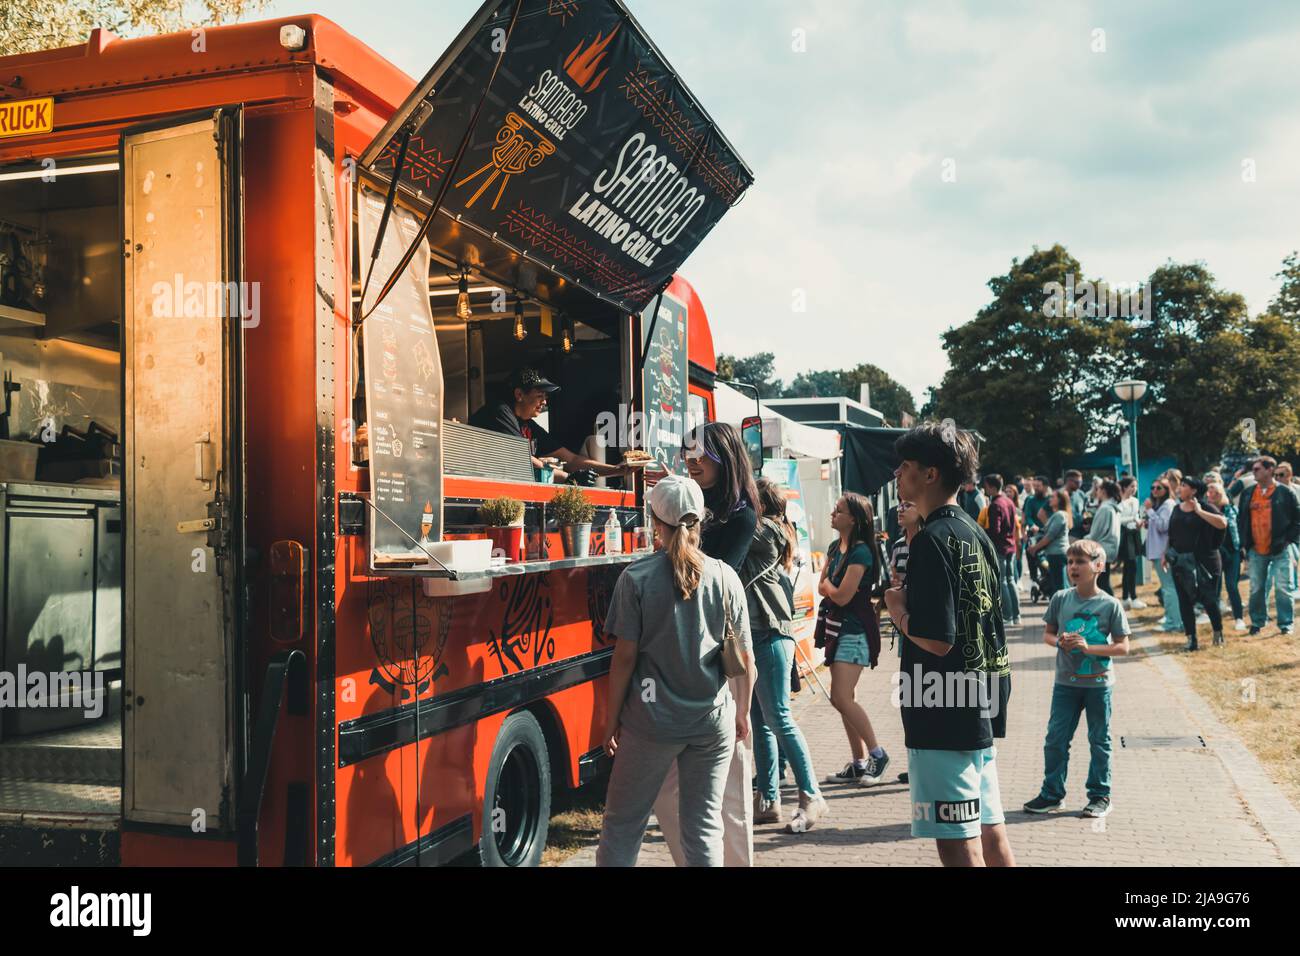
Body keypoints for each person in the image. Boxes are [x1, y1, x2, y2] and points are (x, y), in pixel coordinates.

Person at [596, 475, 756, 867]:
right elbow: (745, 660)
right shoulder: (725, 577)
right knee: (703, 828)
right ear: (701, 520)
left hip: (650, 724)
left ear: (655, 521)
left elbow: (624, 660)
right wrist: (742, 711)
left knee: (622, 827)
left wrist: (610, 719)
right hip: (711, 723)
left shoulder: (636, 578)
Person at [884, 423, 1014, 867]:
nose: (898, 474)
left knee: (957, 840)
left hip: (940, 706)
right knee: (989, 829)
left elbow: (937, 639)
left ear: (931, 474)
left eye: (905, 466)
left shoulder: (933, 540)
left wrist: (896, 608)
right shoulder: (974, 533)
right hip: (978, 699)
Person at [653, 421, 761, 866]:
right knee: (672, 795)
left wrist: (679, 518)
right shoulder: (696, 503)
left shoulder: (741, 515)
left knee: (730, 797)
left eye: (701, 456)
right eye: (688, 455)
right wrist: (671, 502)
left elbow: (710, 578)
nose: (692, 462)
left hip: (724, 660)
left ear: (724, 456)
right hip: (683, 661)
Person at [1022, 539, 1130, 819]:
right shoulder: (1060, 598)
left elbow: (1123, 646)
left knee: (1099, 740)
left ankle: (1100, 796)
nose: (1073, 567)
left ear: (1098, 566)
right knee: (1055, 739)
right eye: (1070, 562)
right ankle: (1052, 794)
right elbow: (1047, 634)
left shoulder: (1110, 605)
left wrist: (1088, 648)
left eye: (1080, 562)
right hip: (1065, 685)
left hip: (1098, 685)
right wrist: (1059, 641)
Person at [745, 477, 827, 833]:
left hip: (769, 635)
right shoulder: (767, 530)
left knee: (779, 717)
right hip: (756, 636)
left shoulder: (765, 531)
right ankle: (768, 799)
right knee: (760, 722)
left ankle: (812, 796)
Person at [819, 493, 891, 786]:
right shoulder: (836, 547)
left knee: (841, 697)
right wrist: (829, 587)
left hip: (855, 630)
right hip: (838, 628)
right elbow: (824, 584)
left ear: (854, 519)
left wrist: (829, 587)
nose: (833, 515)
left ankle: (878, 754)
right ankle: (859, 762)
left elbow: (841, 594)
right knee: (845, 699)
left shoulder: (861, 552)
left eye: (838, 511)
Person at [468, 368, 632, 482]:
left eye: (545, 397)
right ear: (519, 394)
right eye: (540, 395)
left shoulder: (528, 425)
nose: (544, 402)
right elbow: (523, 460)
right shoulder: (499, 412)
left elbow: (572, 459)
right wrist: (567, 478)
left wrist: (617, 470)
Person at [1237, 456, 1300, 636]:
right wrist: (1244, 544)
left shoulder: (1285, 493)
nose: (1254, 472)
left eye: (1257, 469)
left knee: (1283, 587)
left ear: (1269, 470)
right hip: (1256, 548)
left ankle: (1286, 624)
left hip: (1280, 548)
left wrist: (1288, 541)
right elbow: (1241, 519)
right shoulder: (1249, 493)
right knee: (1256, 587)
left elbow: (1297, 520)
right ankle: (1257, 622)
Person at [1166, 476, 1228, 650]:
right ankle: (1191, 640)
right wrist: (1167, 554)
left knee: (1209, 600)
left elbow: (1223, 523)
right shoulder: (1177, 509)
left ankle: (1218, 633)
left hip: (1205, 562)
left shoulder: (1206, 507)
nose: (1180, 488)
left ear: (1193, 490)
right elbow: (1172, 534)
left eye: (1184, 485)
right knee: (1184, 601)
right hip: (1181, 562)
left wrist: (1199, 511)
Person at [1207, 480, 1246, 632]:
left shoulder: (1231, 509)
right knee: (1214, 588)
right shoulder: (1205, 510)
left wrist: (1242, 548)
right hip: (1214, 553)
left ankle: (1239, 618)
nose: (1211, 495)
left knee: (1231, 586)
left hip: (1232, 551)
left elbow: (1238, 528)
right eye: (1209, 492)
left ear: (1220, 493)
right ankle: (1215, 622)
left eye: (1214, 492)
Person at [1144, 477, 1182, 632]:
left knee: (1169, 587)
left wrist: (1150, 511)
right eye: (1153, 487)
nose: (1154, 490)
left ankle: (1174, 622)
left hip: (1162, 552)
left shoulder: (1167, 505)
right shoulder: (1162, 505)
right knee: (1168, 586)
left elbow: (1164, 526)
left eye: (1159, 488)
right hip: (1158, 551)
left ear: (1167, 490)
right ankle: (1171, 618)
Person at [984, 474, 1021, 626]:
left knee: (1003, 581)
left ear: (992, 487)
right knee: (1011, 580)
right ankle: (1016, 615)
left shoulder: (996, 504)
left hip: (1000, 547)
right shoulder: (1009, 501)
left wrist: (982, 532)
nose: (985, 489)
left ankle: (1007, 616)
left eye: (986, 486)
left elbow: (995, 530)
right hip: (1011, 545)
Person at [1029, 489, 1072, 598]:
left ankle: (1063, 611)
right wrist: (1038, 530)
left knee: (1060, 586)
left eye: (1053, 497)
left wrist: (1035, 548)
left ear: (1060, 500)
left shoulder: (1059, 515)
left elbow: (1050, 536)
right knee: (1060, 584)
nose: (1050, 499)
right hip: (1055, 553)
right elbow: (1048, 532)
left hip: (1057, 553)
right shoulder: (1057, 515)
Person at [1085, 479, 1121, 595]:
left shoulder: (1105, 508)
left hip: (1099, 552)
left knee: (1100, 583)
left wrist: (1084, 539)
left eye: (1098, 489)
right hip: (1108, 549)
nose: (1096, 491)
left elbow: (1095, 534)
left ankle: (1113, 609)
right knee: (1103, 581)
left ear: (1103, 491)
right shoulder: (1113, 508)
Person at [1115, 476, 1145, 610]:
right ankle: (1128, 597)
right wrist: (1133, 519)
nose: (1134, 489)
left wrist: (1138, 522)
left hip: (1134, 534)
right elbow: (1118, 520)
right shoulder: (1118, 502)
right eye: (1132, 486)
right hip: (1124, 535)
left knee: (1132, 567)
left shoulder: (1136, 501)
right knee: (1129, 566)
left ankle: (1130, 597)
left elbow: (1136, 516)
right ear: (1124, 487)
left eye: (1136, 486)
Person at [1064, 470, 1087, 539]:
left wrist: (1086, 522)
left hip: (1080, 533)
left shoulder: (1081, 494)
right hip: (1065, 535)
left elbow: (1084, 512)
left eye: (1081, 482)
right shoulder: (1058, 495)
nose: (1079, 485)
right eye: (1077, 482)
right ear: (1068, 481)